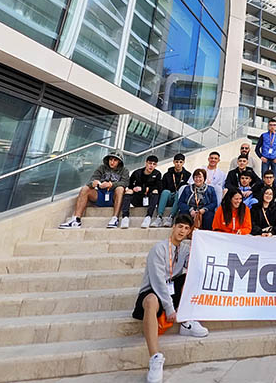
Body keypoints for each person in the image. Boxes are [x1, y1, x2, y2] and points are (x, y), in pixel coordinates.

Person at [132, 213, 207, 383]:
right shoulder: (159, 249)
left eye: (186, 228)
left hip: (171, 288)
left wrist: (197, 239)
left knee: (192, 276)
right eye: (180, 226)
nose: (182, 231)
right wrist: (169, 308)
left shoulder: (185, 248)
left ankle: (186, 321)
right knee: (151, 300)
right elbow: (158, 281)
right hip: (153, 291)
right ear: (173, 227)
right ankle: (155, 358)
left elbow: (195, 265)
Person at [60, 151, 128, 228]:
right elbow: (92, 180)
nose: (112, 162)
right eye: (110, 159)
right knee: (85, 189)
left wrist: (111, 184)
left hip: (113, 197)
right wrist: (93, 183)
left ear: (119, 162)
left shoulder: (124, 170)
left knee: (120, 189)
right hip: (100, 195)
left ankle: (115, 218)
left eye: (115, 160)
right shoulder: (102, 168)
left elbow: (125, 183)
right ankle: (76, 219)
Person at [113, 155, 161, 230]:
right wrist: (133, 189)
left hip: (149, 199)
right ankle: (125, 217)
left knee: (155, 191)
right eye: (150, 163)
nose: (151, 166)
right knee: (129, 191)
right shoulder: (137, 173)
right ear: (146, 163)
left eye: (154, 164)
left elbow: (158, 187)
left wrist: (144, 189)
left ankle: (148, 217)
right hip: (137, 198)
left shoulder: (157, 174)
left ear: (156, 165)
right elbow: (130, 184)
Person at [154, 154, 191, 228]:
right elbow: (162, 188)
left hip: (179, 199)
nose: (178, 164)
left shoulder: (188, 175)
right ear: (173, 162)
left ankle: (171, 217)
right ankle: (159, 216)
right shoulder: (167, 175)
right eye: (176, 162)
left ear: (183, 162)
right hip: (169, 198)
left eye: (180, 162)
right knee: (165, 192)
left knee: (179, 193)